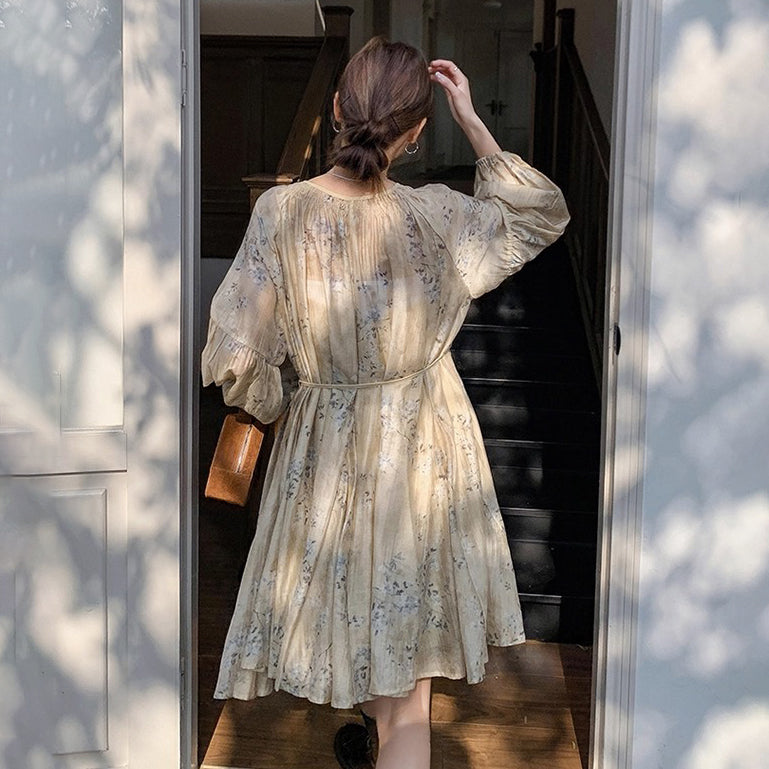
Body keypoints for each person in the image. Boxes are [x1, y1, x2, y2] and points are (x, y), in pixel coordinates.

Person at [202, 36, 569, 769]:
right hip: (425, 448)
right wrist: (472, 121)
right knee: (407, 684)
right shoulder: (437, 215)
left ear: (338, 107)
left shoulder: (281, 212)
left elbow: (237, 357)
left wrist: (287, 399)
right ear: (416, 132)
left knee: (360, 641)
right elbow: (538, 213)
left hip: (325, 449)